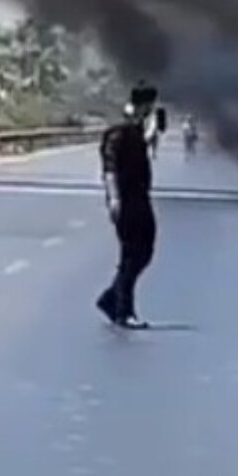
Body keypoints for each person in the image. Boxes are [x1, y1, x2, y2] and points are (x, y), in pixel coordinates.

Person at [95, 85, 159, 329]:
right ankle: (123, 310)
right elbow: (109, 168)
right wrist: (114, 198)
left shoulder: (137, 128)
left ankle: (112, 298)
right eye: (149, 105)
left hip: (140, 196)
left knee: (143, 252)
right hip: (126, 198)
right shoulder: (120, 130)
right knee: (132, 254)